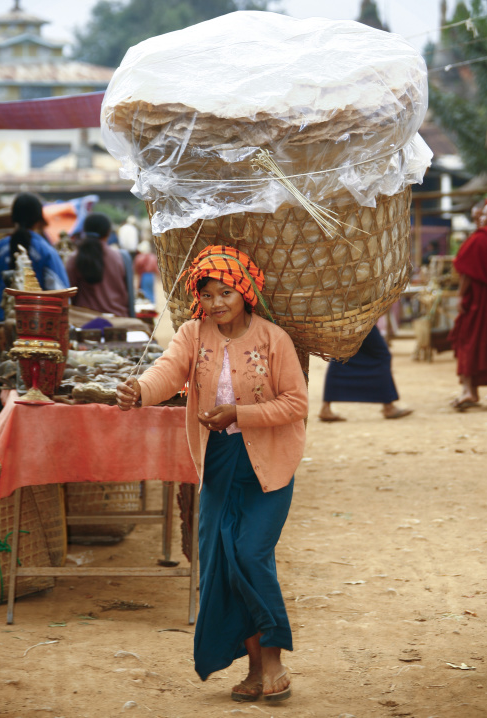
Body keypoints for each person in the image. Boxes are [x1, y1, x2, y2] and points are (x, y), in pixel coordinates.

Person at [116, 245, 308, 702]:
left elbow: (297, 403)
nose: (218, 302)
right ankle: (256, 668)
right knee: (221, 561)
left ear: (245, 291)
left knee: (249, 553)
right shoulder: (191, 334)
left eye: (227, 292)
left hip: (269, 464)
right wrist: (139, 390)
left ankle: (275, 655)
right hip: (219, 463)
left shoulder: (273, 339)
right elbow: (167, 372)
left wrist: (239, 413)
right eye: (208, 294)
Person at [0, 192, 69, 323]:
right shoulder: (45, 250)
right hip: (38, 328)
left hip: (3, 327)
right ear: (38, 219)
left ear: (13, 217)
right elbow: (60, 291)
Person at [449, 200, 487, 410]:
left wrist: (461, 295)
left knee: (469, 341)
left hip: (478, 300)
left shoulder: (480, 238)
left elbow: (467, 271)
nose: (481, 219)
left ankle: (469, 391)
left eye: (485, 215)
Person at [319, 325, 412, 421]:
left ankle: (325, 408)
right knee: (382, 355)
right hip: (361, 318)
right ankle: (388, 406)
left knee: (341, 354)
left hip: (346, 319)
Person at [66, 213, 134, 317]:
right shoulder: (121, 257)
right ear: (108, 232)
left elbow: (69, 294)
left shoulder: (74, 259)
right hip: (118, 322)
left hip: (85, 323)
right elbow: (130, 296)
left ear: (84, 231)